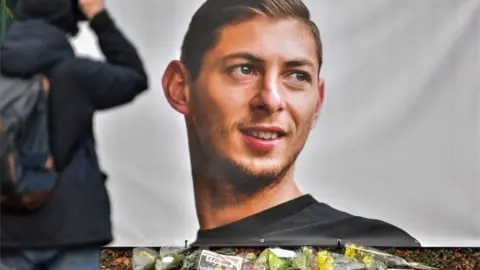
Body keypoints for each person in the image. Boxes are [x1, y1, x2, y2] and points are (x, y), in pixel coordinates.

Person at [162, 0, 420, 248]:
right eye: (243, 69)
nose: (271, 100)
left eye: (297, 76)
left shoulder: (376, 252)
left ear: (317, 103)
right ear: (180, 88)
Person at [0, 0, 148, 268]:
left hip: (6, 230)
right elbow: (134, 76)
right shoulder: (77, 73)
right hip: (72, 228)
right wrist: (98, 17)